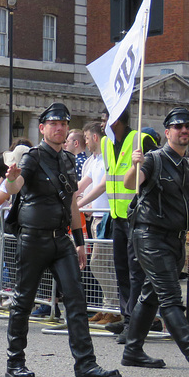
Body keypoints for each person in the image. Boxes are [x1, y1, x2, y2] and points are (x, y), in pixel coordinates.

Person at [3, 102, 121, 377]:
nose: (60, 128)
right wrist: (10, 180)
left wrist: (79, 241)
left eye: (64, 124)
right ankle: (14, 362)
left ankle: (86, 366)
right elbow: (15, 188)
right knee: (23, 301)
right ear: (42, 128)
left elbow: (71, 204)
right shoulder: (32, 158)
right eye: (54, 124)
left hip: (61, 240)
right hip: (32, 239)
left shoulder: (68, 160)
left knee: (76, 300)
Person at [122, 107, 189, 377]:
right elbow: (129, 184)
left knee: (150, 295)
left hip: (174, 239)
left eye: (188, 126)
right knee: (170, 296)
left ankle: (132, 350)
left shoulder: (187, 165)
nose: (184, 130)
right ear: (167, 132)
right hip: (150, 235)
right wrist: (134, 164)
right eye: (179, 126)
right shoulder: (154, 159)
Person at [78, 108, 158, 343]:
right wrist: (82, 201)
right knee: (121, 270)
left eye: (105, 120)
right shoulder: (106, 145)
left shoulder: (142, 140)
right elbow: (106, 180)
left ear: (116, 121)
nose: (102, 126)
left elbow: (154, 175)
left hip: (138, 217)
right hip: (116, 217)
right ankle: (126, 317)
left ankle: (136, 323)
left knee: (135, 273)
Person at [77, 122, 120, 325]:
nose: (85, 142)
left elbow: (102, 186)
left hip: (106, 218)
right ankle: (106, 308)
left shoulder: (106, 159)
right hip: (96, 218)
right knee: (104, 265)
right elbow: (82, 185)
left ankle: (113, 308)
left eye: (86, 137)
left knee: (98, 264)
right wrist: (69, 198)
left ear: (95, 137)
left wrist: (79, 205)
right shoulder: (94, 161)